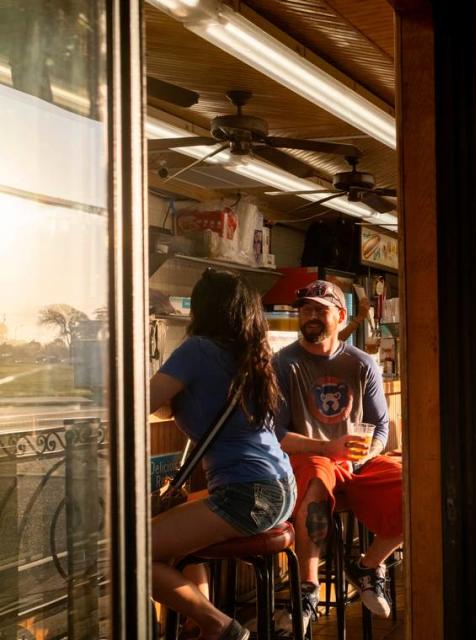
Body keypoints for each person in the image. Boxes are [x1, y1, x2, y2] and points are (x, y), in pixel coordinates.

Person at [150, 269, 295, 640]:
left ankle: (220, 627)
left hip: (247, 493)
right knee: (177, 540)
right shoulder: (251, 357)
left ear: (202, 310)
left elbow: (141, 402)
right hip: (279, 486)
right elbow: (182, 404)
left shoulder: (198, 350)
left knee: (131, 553)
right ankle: (200, 624)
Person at [273, 280, 402, 631]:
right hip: (311, 461)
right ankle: (308, 591)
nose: (311, 316)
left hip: (358, 462)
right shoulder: (284, 364)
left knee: (421, 484)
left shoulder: (361, 363)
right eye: (305, 310)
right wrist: (326, 448)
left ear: (340, 316)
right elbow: (277, 433)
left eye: (320, 310)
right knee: (315, 478)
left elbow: (379, 426)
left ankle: (367, 565)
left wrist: (366, 452)